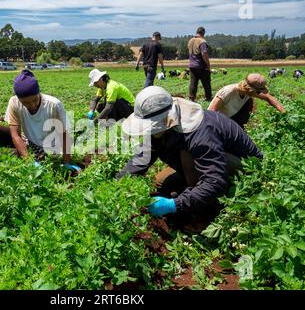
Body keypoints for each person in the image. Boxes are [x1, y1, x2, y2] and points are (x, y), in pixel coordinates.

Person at [117, 86, 263, 218]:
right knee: (160, 182)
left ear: (165, 119)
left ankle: (210, 207)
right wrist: (118, 184)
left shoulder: (200, 132)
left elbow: (215, 181)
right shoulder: (162, 128)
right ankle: (191, 193)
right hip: (206, 159)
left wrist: (174, 205)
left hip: (244, 167)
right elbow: (142, 157)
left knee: (187, 158)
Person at [0, 70, 80, 173]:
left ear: (38, 93)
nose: (32, 105)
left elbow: (64, 135)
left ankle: (12, 154)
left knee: (5, 153)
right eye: (25, 103)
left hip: (49, 147)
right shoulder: (14, 102)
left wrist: (66, 162)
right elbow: (15, 135)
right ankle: (19, 155)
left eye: (34, 100)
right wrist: (30, 162)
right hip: (29, 141)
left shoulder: (54, 105)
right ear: (19, 99)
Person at [208, 73, 286, 129]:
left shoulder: (248, 92)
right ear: (250, 89)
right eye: (258, 92)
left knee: (249, 102)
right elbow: (210, 113)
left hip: (232, 118)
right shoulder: (228, 92)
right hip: (219, 122)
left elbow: (269, 98)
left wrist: (283, 112)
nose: (259, 94)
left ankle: (238, 129)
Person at [188, 27, 212, 102]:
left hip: (192, 65)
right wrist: (208, 65)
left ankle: (191, 98)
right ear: (203, 33)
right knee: (206, 83)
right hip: (201, 66)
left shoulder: (190, 40)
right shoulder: (202, 41)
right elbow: (204, 54)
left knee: (193, 83)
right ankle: (208, 98)